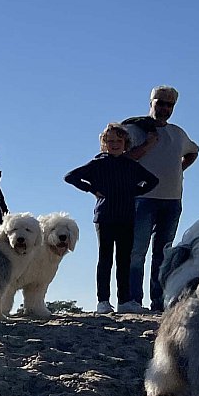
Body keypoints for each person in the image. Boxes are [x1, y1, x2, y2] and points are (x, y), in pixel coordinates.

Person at [65, 124, 158, 313]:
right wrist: (91, 189)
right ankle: (103, 301)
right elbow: (70, 176)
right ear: (104, 144)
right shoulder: (98, 163)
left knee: (124, 260)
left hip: (126, 216)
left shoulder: (131, 165)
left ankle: (124, 301)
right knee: (105, 258)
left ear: (125, 143)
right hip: (105, 216)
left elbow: (153, 181)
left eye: (118, 141)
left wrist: (134, 191)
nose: (114, 144)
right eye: (110, 141)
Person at [122, 86, 199, 313]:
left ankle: (159, 302)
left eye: (170, 105)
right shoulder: (134, 129)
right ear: (151, 102)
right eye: (161, 103)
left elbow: (193, 151)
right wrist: (147, 145)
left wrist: (180, 168)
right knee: (136, 253)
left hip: (172, 201)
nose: (165, 108)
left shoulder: (178, 133)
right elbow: (120, 157)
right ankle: (133, 301)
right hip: (142, 200)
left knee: (164, 255)